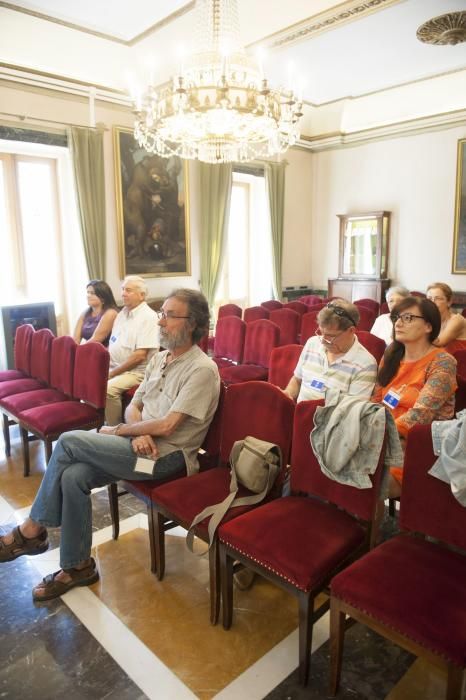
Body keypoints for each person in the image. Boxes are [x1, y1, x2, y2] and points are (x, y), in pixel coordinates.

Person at [0, 289, 220, 601]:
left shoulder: (202, 369)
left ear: (193, 324)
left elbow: (169, 425)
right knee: (73, 476)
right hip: (140, 449)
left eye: (170, 315)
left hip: (165, 460)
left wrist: (120, 431)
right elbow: (135, 405)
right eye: (162, 313)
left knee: (68, 442)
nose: (161, 321)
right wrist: (133, 430)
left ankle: (32, 531)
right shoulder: (160, 358)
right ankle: (78, 566)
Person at [372, 296, 457, 498]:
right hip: (380, 439)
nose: (399, 323)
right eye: (397, 317)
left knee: (363, 484)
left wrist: (375, 436)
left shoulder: (442, 362)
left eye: (408, 317)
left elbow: (420, 416)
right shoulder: (391, 355)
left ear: (428, 326)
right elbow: (374, 401)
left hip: (416, 448)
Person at [283, 300, 378, 402]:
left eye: (331, 336)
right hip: (299, 415)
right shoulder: (312, 343)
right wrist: (288, 393)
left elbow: (352, 412)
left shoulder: (366, 364)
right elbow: (297, 379)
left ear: (351, 331)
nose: (323, 340)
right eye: (321, 332)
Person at [106, 275, 159, 425]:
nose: (123, 293)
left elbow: (139, 356)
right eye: (123, 289)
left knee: (108, 389)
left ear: (142, 295)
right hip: (115, 367)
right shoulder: (121, 314)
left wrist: (112, 374)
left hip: (137, 372)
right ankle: (100, 422)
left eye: (128, 290)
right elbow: (113, 343)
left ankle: (115, 430)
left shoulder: (149, 317)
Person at [73, 280, 118, 346]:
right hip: (88, 350)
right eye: (88, 292)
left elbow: (96, 339)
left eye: (92, 293)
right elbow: (75, 339)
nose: (88, 295)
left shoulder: (111, 313)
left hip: (104, 352)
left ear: (103, 297)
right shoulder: (85, 313)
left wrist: (79, 350)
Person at [426, 282, 466, 354]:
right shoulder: (429, 319)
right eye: (429, 298)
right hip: (442, 361)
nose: (432, 302)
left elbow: (439, 342)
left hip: (460, 362)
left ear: (449, 302)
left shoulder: (457, 320)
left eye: (438, 298)